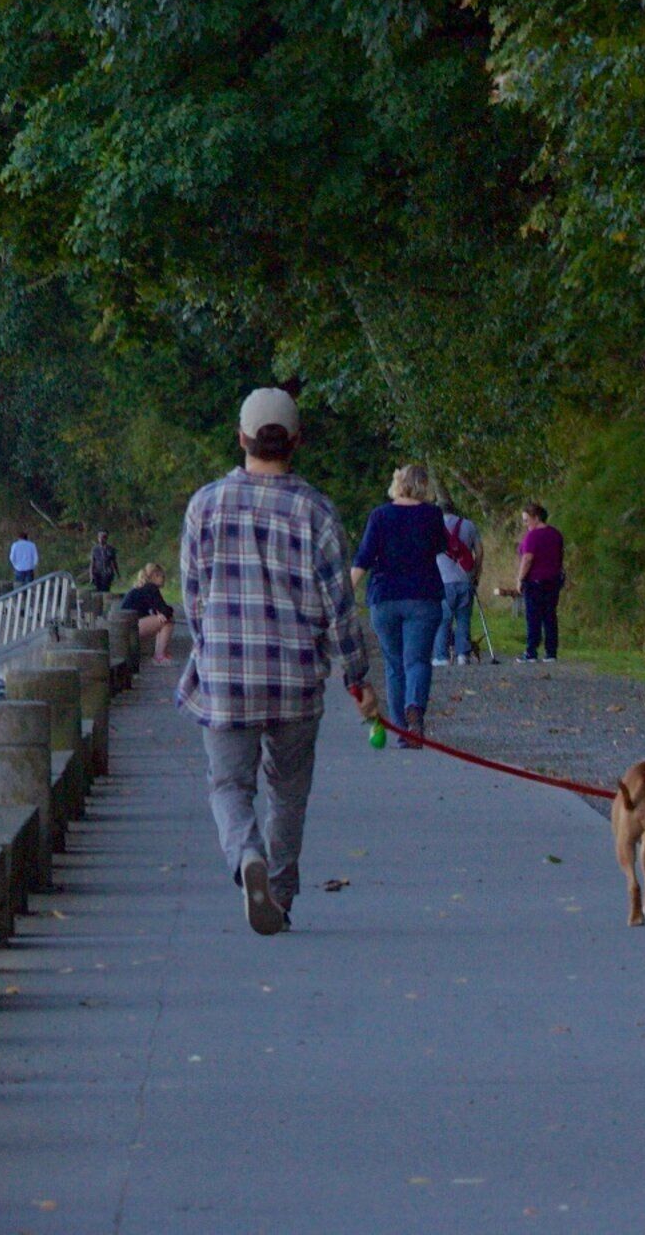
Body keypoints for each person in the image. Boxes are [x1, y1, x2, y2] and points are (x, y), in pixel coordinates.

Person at [178, 386, 377, 936]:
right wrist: (357, 679)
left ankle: (247, 859)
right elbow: (340, 608)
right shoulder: (315, 510)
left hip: (225, 678)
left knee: (228, 786)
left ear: (241, 438)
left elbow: (193, 600)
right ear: (297, 441)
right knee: (288, 791)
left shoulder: (205, 505)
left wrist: (211, 647)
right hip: (294, 682)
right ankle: (281, 896)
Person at [352, 464, 456, 742]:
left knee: (394, 664)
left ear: (397, 483)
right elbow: (442, 546)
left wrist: (344, 593)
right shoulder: (432, 515)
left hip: (385, 598)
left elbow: (363, 558)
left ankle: (401, 731)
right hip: (423, 597)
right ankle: (414, 710)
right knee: (418, 661)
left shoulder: (380, 515)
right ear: (424, 486)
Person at [516, 503, 566, 661]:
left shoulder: (532, 536)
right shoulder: (556, 534)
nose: (525, 524)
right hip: (553, 579)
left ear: (536, 518)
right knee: (550, 616)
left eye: (526, 520)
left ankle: (531, 651)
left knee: (533, 616)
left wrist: (520, 578)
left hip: (535, 580)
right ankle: (551, 652)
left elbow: (528, 558)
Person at [434, 500, 482, 665]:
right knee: (464, 619)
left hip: (443, 580)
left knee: (443, 620)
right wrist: (476, 573)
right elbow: (479, 551)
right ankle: (463, 655)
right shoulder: (469, 525)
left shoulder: (434, 527)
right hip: (465, 579)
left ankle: (442, 656)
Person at [119, 562, 176, 662]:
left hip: (125, 624)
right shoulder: (150, 587)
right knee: (168, 622)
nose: (164, 580)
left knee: (162, 620)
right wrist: (162, 612)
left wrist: (160, 612)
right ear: (155, 575)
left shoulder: (143, 587)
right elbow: (166, 611)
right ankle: (160, 655)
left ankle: (160, 654)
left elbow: (158, 608)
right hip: (130, 626)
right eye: (163, 577)